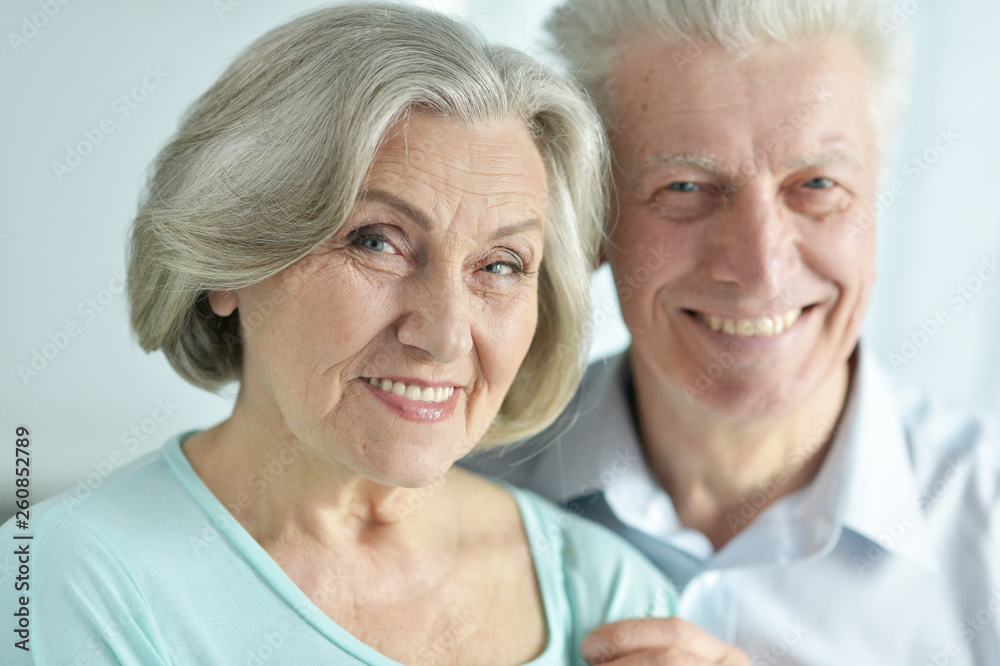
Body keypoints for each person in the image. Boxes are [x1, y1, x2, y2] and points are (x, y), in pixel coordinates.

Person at [0, 4, 684, 664]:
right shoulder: (67, 581)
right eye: (376, 242)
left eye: (500, 265)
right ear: (227, 262)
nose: (446, 335)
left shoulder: (607, 591)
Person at [464, 0, 1000, 664]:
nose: (759, 268)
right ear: (593, 215)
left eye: (817, 183)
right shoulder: (447, 481)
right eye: (686, 186)